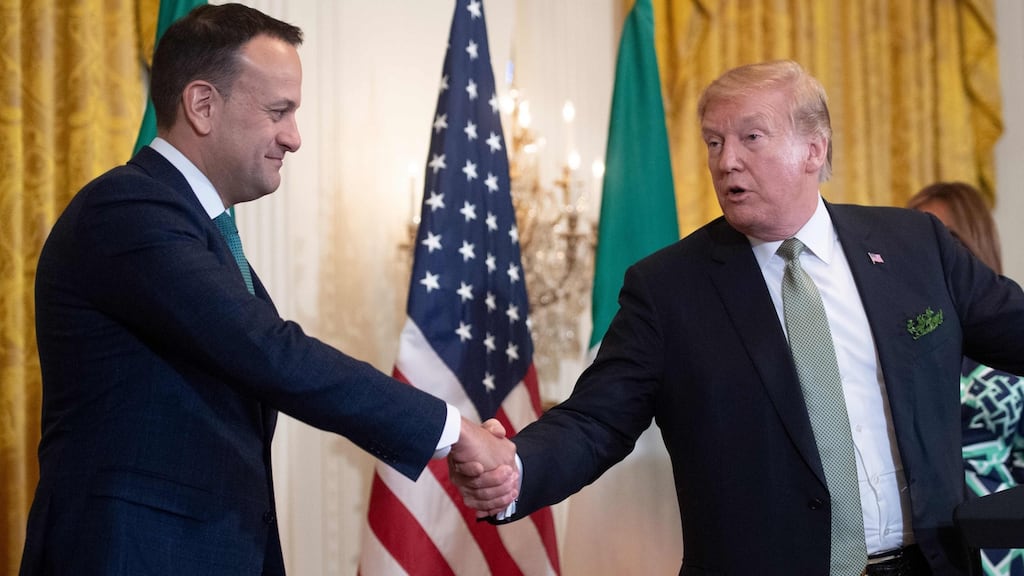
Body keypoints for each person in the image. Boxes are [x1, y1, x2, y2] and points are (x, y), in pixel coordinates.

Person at [453, 60, 1024, 575]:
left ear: (813, 149)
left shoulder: (913, 246)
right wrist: (518, 466)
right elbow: (596, 421)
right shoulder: (667, 288)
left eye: (751, 137)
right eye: (713, 141)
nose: (727, 161)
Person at [18, 4, 516, 575]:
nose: (294, 137)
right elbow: (270, 351)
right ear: (202, 105)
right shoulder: (128, 210)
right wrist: (452, 430)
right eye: (279, 111)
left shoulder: (194, 225)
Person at [908, 182, 1024, 576]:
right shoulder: (901, 340)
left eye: (946, 237)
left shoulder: (1012, 335)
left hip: (1006, 537)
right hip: (927, 534)